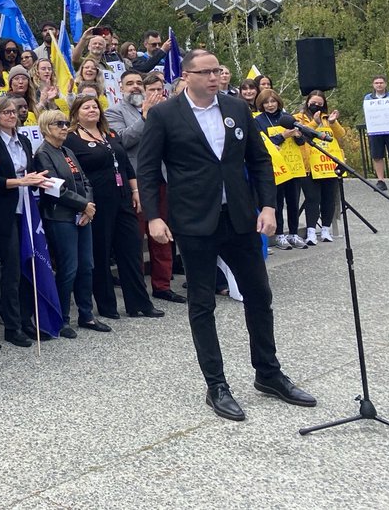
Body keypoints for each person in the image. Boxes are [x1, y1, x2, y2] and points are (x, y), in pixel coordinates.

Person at [137, 49, 316, 422]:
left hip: (239, 216)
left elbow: (259, 160)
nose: (215, 77)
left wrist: (268, 206)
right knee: (202, 302)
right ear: (187, 76)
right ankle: (216, 384)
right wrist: (154, 216)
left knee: (258, 294)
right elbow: (149, 169)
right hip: (195, 221)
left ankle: (267, 372)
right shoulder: (165, 115)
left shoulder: (236, 108)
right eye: (206, 72)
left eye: (218, 70)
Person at [65, 94, 161, 321]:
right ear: (76, 113)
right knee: (101, 252)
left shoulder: (110, 134)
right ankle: (107, 305)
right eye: (86, 107)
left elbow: (126, 165)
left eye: (95, 107)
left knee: (131, 249)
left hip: (123, 198)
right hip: (96, 202)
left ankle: (139, 303)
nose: (92, 110)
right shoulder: (72, 139)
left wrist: (135, 191)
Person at [0, 96, 49, 347]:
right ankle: (12, 325)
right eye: (5, 112)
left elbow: (27, 173)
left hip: (27, 208)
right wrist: (20, 182)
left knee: (28, 265)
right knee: (10, 270)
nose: (11, 116)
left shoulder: (25, 141)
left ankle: (27, 319)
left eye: (14, 112)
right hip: (3, 212)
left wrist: (36, 179)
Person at [106, 71, 183, 303]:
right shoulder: (114, 112)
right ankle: (137, 288)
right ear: (120, 88)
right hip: (136, 182)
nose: (135, 87)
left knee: (162, 234)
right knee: (135, 238)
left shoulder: (164, 109)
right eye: (129, 84)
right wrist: (145, 116)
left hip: (162, 179)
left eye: (139, 83)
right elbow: (121, 142)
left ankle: (163, 285)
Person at [31, 109, 102, 338]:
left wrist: (87, 207)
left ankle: (86, 314)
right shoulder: (43, 153)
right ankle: (61, 319)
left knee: (87, 265)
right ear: (46, 128)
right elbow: (54, 188)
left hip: (82, 214)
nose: (64, 127)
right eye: (58, 124)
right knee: (68, 268)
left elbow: (85, 181)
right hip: (60, 217)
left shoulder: (68, 150)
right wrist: (83, 205)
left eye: (65, 123)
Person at [254, 89, 306, 249]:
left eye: (273, 101)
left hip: (293, 166)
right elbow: (261, 142)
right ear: (261, 105)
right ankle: (279, 235)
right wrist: (282, 136)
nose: (270, 105)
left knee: (293, 201)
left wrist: (298, 136)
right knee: (276, 202)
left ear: (278, 102)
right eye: (266, 102)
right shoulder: (259, 121)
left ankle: (293, 233)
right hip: (275, 168)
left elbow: (301, 142)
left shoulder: (288, 118)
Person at [295, 91, 345, 245]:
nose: (316, 106)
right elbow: (299, 135)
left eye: (319, 104)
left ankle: (325, 229)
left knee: (329, 199)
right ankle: (310, 231)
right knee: (312, 198)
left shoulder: (327, 118)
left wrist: (333, 122)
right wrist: (314, 123)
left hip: (328, 165)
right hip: (309, 166)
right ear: (307, 102)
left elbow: (340, 135)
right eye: (313, 102)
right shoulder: (298, 118)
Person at [365, 75, 389, 191]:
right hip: (375, 131)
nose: (379, 85)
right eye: (376, 83)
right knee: (377, 156)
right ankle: (380, 180)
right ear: (373, 85)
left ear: (385, 84)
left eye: (381, 82)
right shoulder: (368, 98)